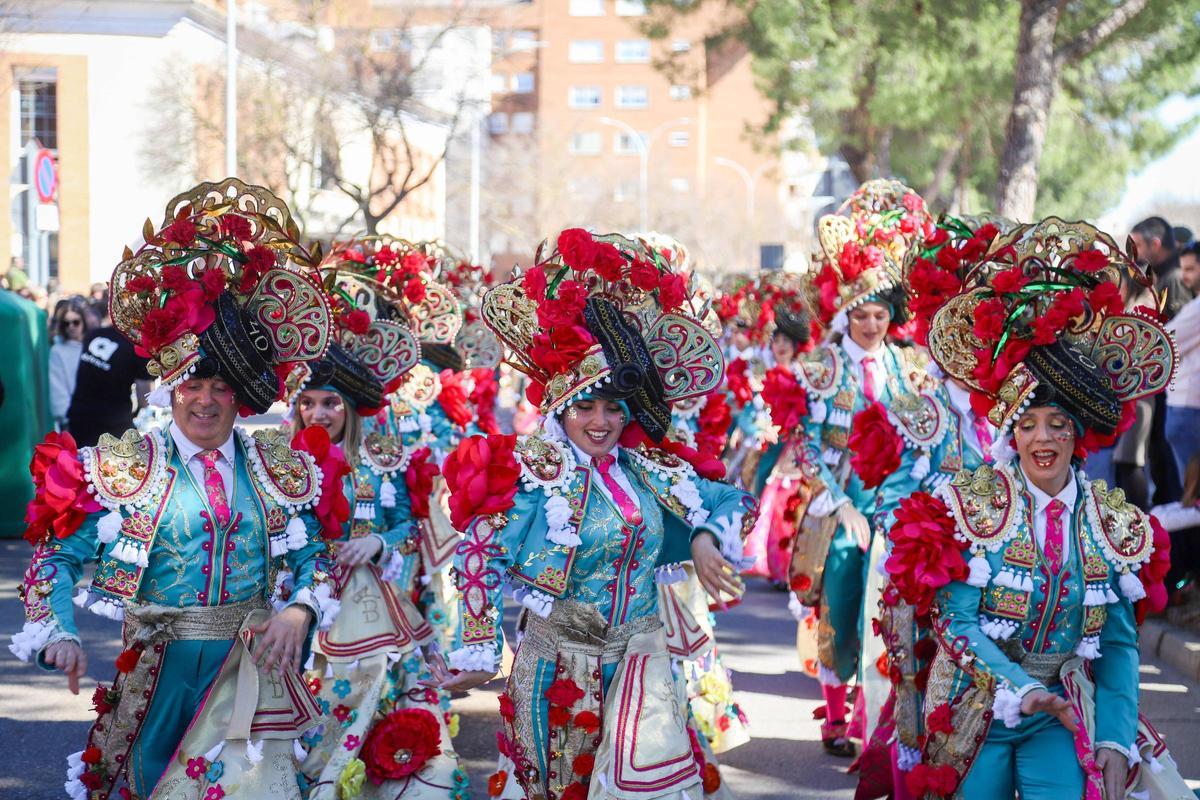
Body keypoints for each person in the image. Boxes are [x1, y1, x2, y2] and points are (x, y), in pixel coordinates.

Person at [10, 179, 342, 799]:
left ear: (241, 396)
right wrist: (57, 630)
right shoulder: (129, 465)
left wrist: (300, 609)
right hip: (157, 682)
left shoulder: (277, 465)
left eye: (223, 388)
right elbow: (55, 558)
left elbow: (315, 561)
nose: (207, 401)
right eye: (194, 384)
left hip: (249, 676)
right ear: (170, 388)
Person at [427, 229, 757, 800]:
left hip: (643, 665)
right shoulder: (532, 471)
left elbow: (730, 499)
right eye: (585, 406)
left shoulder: (648, 470)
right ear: (561, 406)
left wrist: (703, 537)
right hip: (558, 669)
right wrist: (480, 645)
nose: (599, 421)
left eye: (612, 407)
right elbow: (480, 552)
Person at [891, 217, 1190, 799]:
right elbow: (955, 621)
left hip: (1061, 716)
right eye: (1028, 424)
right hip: (975, 712)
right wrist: (1017, 688)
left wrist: (1113, 740)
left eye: (1058, 423)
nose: (1043, 438)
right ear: (1012, 433)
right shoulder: (974, 505)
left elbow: (1120, 647)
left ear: (1079, 435)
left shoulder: (1113, 525)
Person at [289, 264, 469, 799]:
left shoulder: (383, 458)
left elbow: (412, 528)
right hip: (304, 602)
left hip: (375, 603)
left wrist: (381, 542)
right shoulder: (278, 461)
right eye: (308, 402)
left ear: (350, 408)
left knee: (384, 693)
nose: (318, 413)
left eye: (330, 403)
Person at [786, 180, 932, 758]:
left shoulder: (911, 367)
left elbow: (929, 436)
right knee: (841, 605)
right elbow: (802, 443)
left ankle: (890, 719)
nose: (870, 325)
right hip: (841, 505)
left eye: (879, 314)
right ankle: (837, 716)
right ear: (844, 314)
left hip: (899, 506)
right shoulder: (818, 368)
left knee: (901, 613)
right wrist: (839, 502)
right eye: (861, 315)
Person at [1166, 240, 1200, 500]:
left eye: (1190, 269)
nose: (1184, 277)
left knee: (1192, 497)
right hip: (1187, 408)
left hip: (1188, 408)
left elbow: (1164, 343)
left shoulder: (1197, 309)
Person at [48, 296, 90, 429]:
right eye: (67, 323)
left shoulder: (92, 346)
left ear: (83, 322)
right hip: (72, 420)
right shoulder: (57, 350)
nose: (71, 326)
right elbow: (57, 387)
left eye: (76, 322)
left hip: (95, 415)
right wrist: (66, 418)